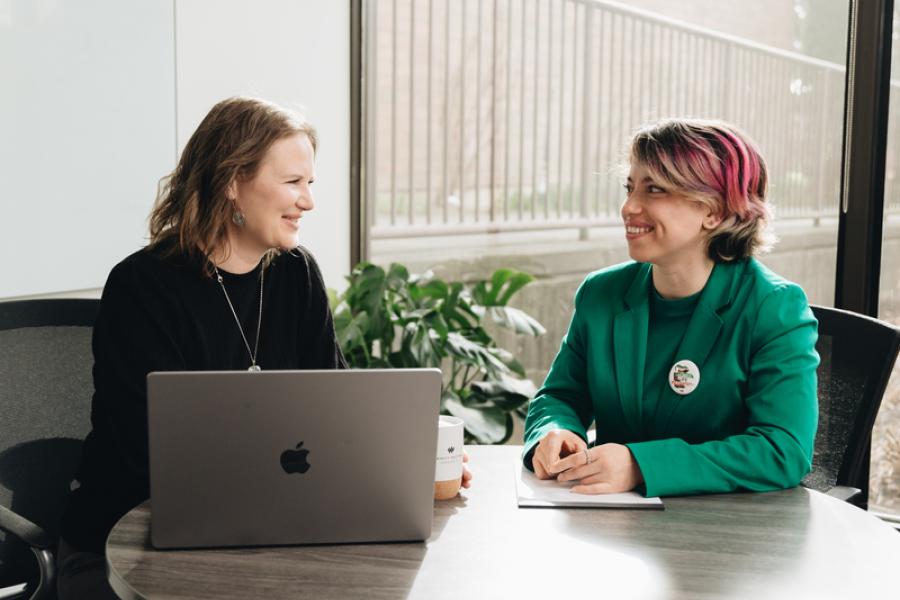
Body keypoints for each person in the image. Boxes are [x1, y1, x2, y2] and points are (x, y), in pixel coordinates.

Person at [56, 97, 347, 599]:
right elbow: (146, 452)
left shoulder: (297, 276)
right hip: (129, 541)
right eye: (292, 182)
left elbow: (339, 406)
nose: (308, 201)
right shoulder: (143, 287)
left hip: (265, 534)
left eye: (310, 183)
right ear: (233, 182)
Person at [523, 118, 819, 497]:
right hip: (612, 528)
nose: (629, 207)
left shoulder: (773, 307)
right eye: (630, 187)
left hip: (725, 536)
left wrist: (640, 465)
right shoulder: (601, 294)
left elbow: (782, 450)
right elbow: (561, 396)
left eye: (655, 190)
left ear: (713, 211)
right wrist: (555, 432)